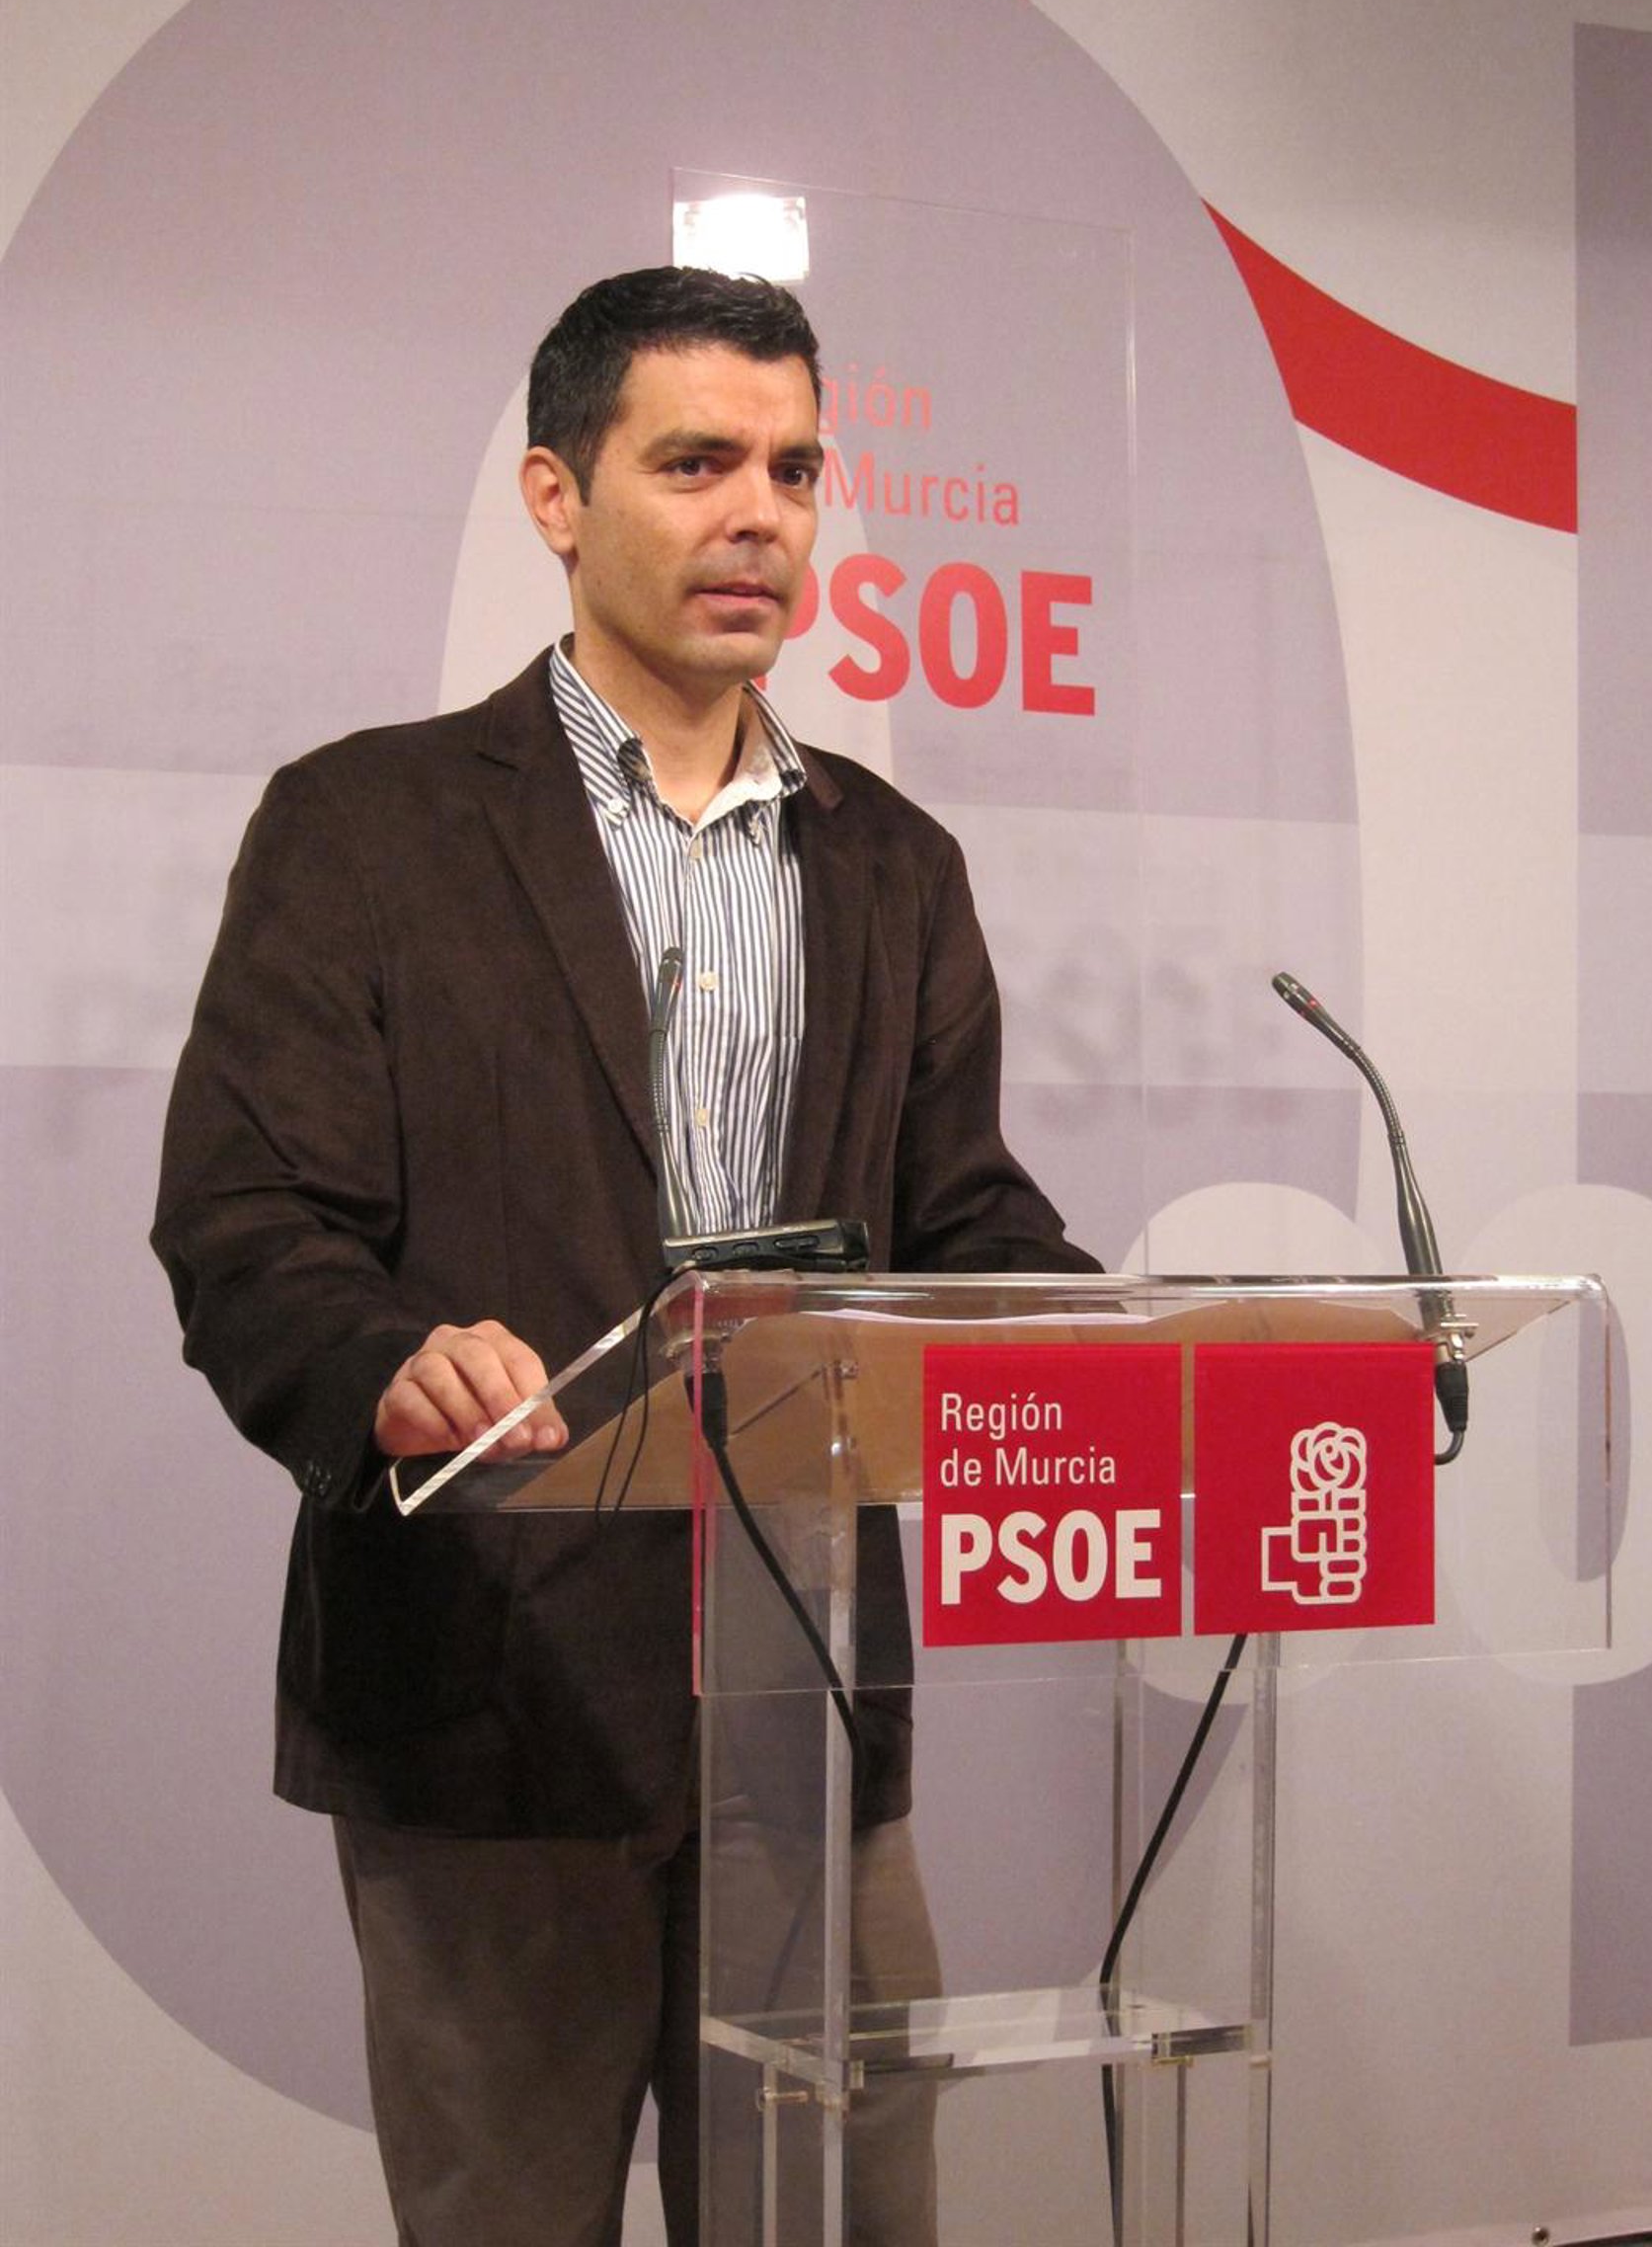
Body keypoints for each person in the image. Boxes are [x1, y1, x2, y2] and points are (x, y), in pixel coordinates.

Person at [152, 266, 1094, 2246]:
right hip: (491, 1702)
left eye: (795, 470)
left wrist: (1132, 1343)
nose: (760, 513)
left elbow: (961, 1223)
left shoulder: (893, 861)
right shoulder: (366, 826)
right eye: (696, 463)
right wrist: (388, 1365)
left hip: (807, 1706)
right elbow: (249, 1220)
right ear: (557, 498)